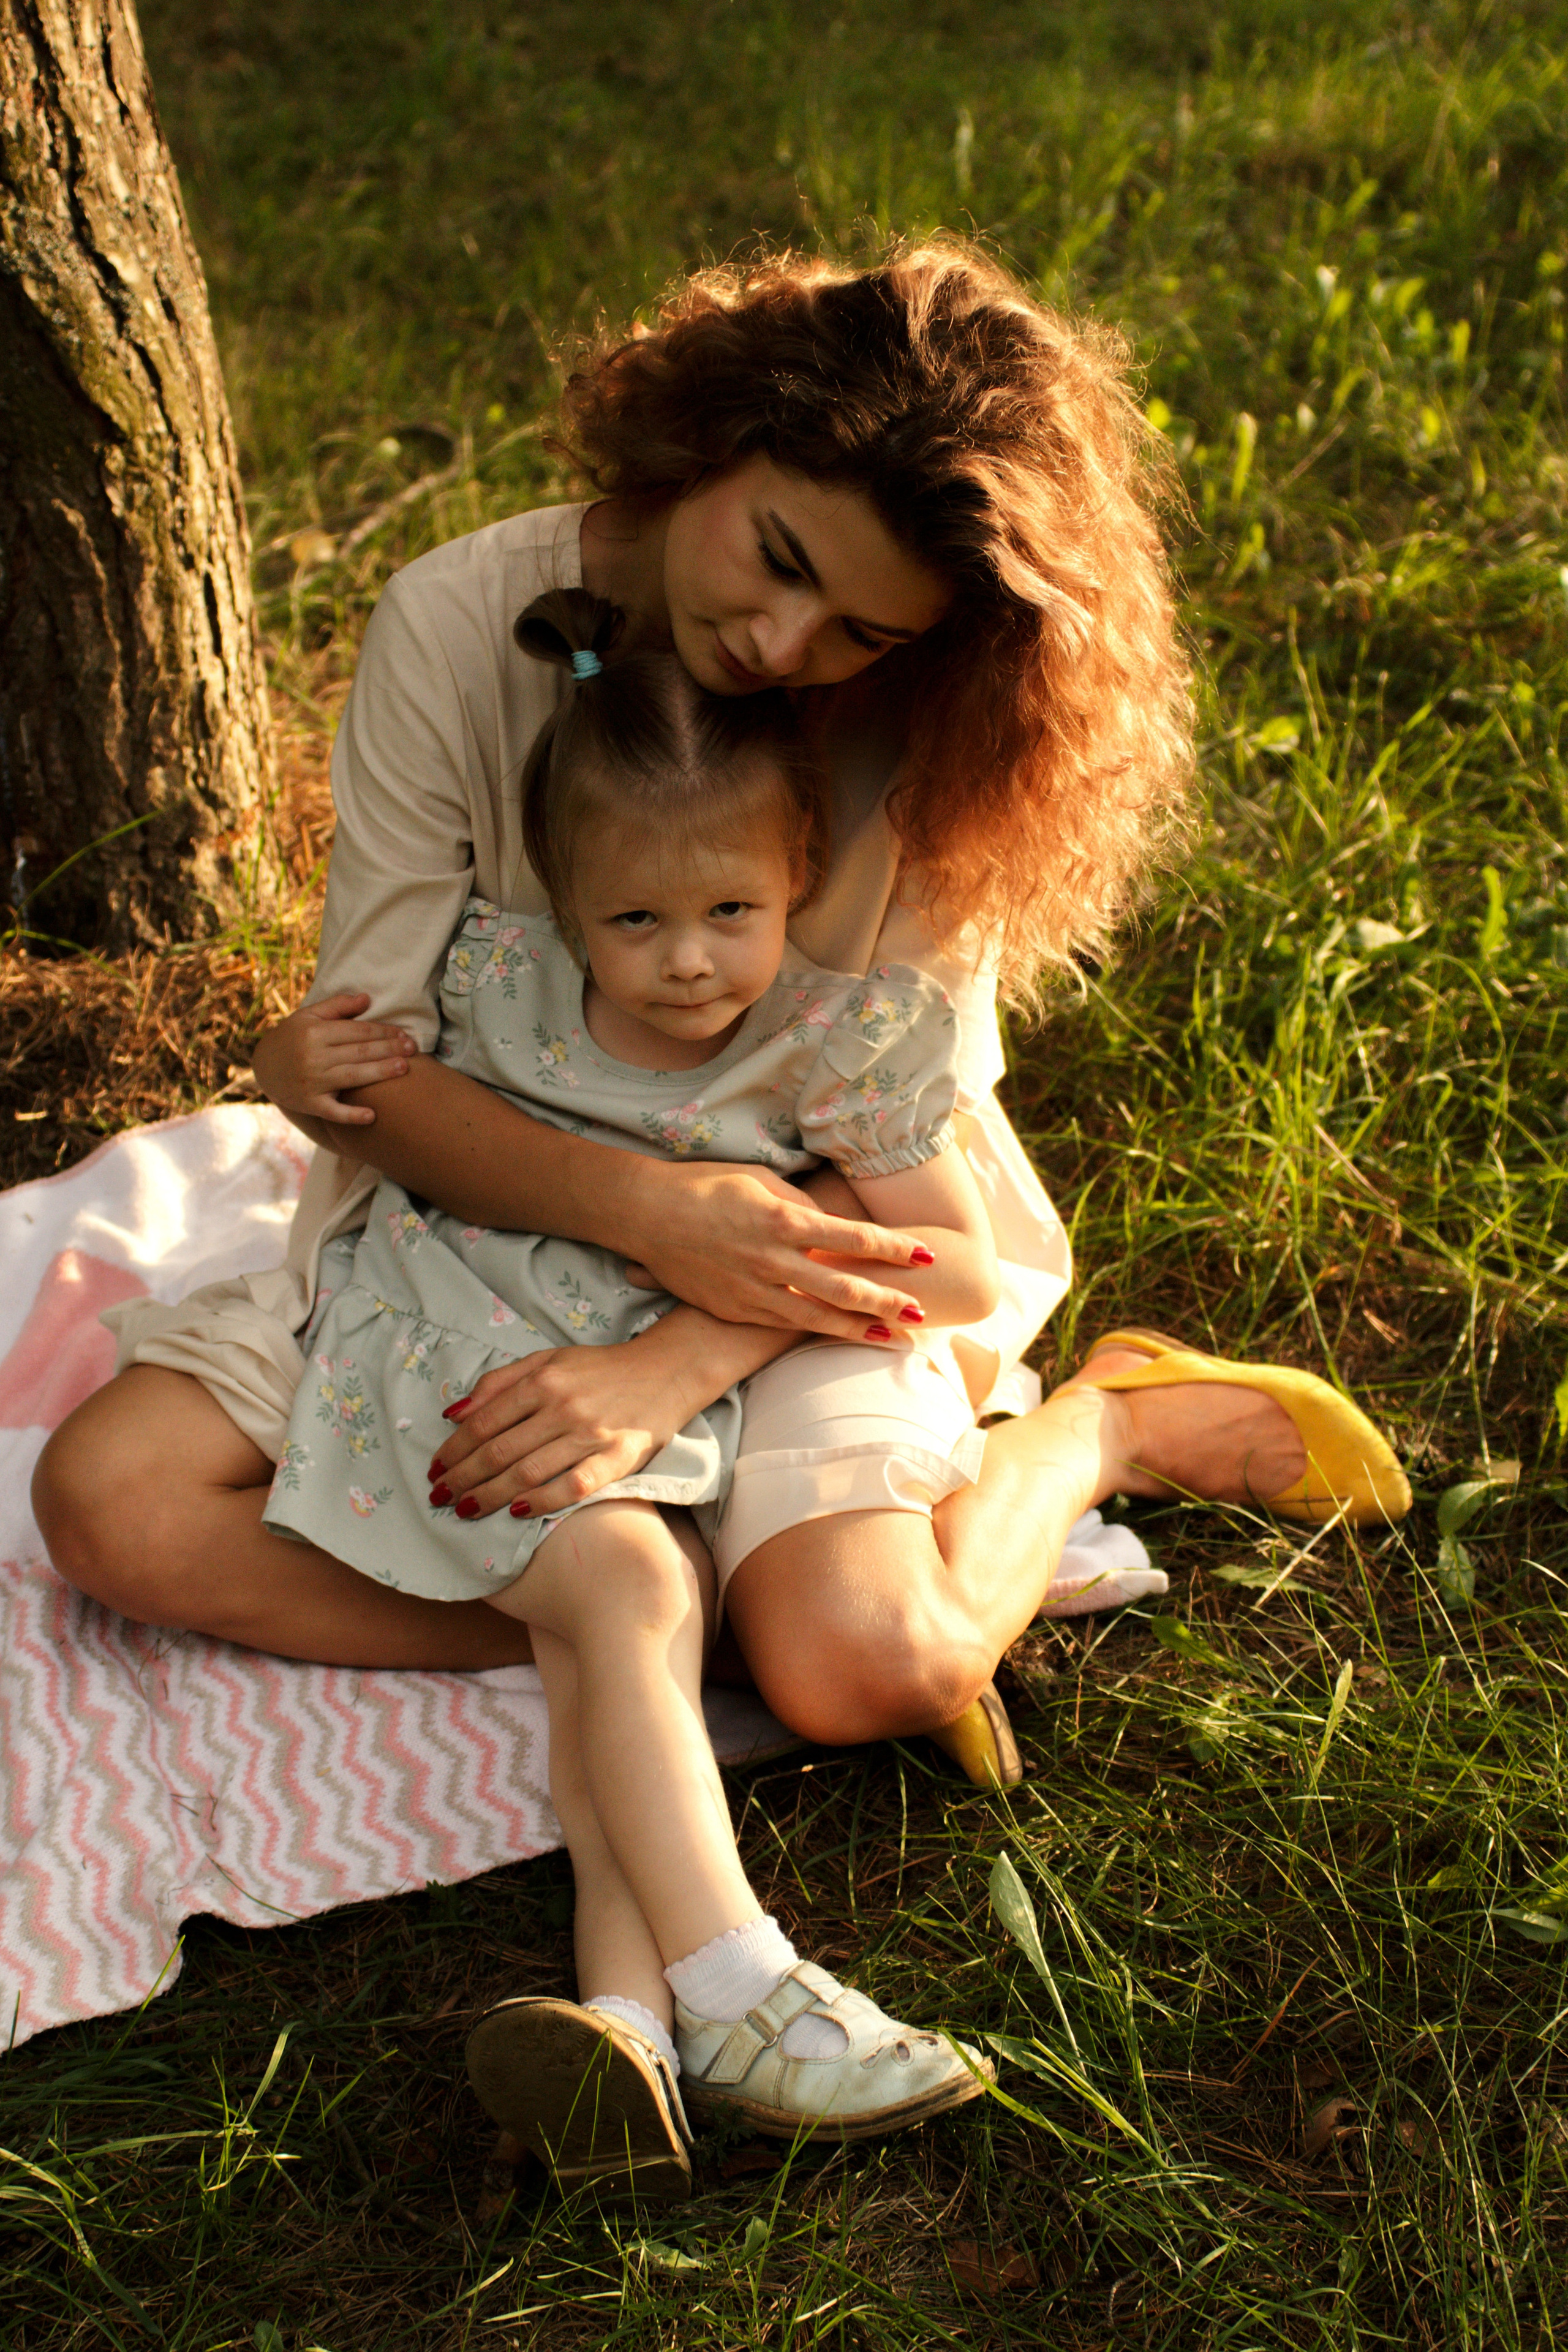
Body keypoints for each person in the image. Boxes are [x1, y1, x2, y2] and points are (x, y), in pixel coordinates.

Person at [33, 243, 1409, 1863]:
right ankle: (657, 1615)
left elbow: (893, 1158)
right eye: (776, 558)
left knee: (876, 1668)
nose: (781, 643)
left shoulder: (930, 731)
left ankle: (1103, 1427)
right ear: (726, 431)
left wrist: (672, 1355)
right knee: (106, 1505)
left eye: (860, 631)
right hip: (481, 1232)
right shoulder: (464, 624)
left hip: (823, 1251)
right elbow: (372, 1070)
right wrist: (642, 1212)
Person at [262, 584, 1005, 2192]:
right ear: (565, 904)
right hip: (456, 1348)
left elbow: (967, 1272)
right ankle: (748, 1984)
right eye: (636, 924)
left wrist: (746, 1299)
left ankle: (623, 2027)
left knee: (625, 1630)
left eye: (729, 915)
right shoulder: (496, 983)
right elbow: (346, 1082)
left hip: (649, 1393)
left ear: (793, 875)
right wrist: (282, 1066)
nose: (684, 965)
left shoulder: (834, 1044)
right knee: (622, 1592)